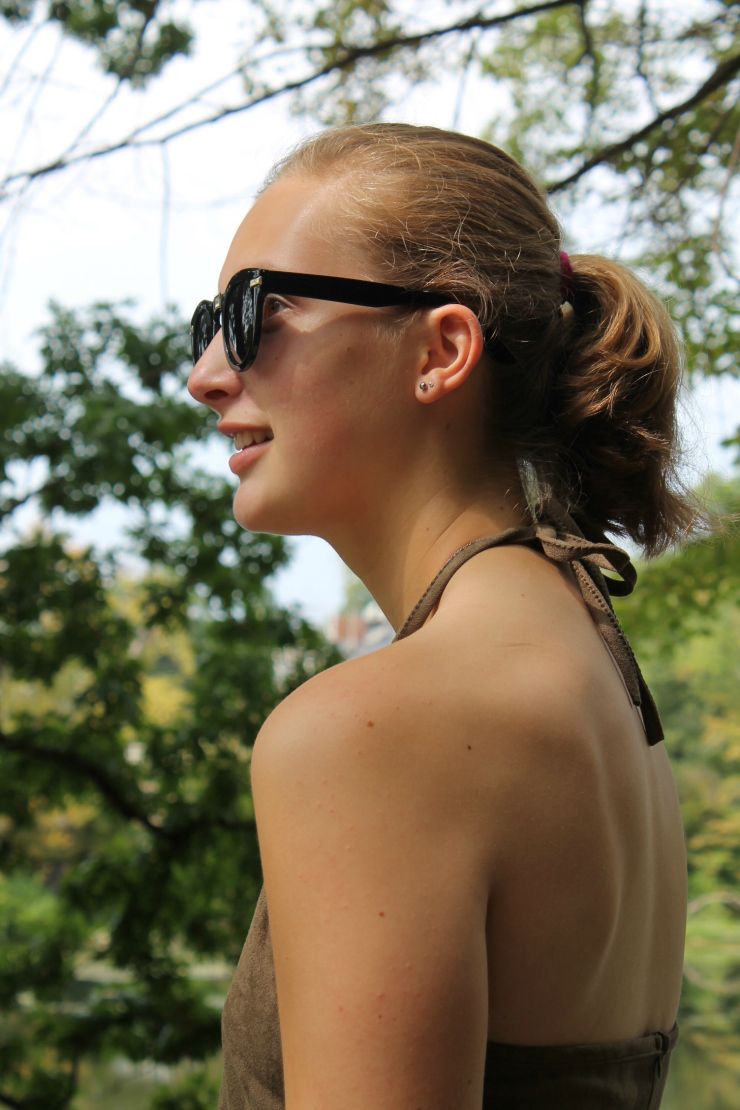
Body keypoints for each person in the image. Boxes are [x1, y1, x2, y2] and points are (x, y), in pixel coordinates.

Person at [187, 123, 691, 1110]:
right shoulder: (597, 674)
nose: (207, 373)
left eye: (252, 313)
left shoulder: (367, 735)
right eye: (205, 322)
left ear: (441, 349)